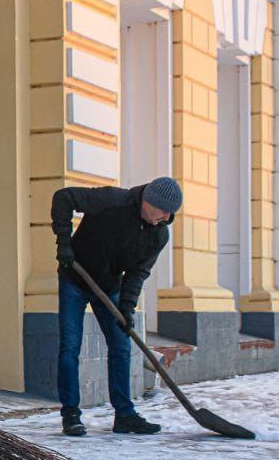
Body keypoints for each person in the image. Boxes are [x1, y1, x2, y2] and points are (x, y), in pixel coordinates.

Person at [50, 177, 182, 437]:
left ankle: (124, 415)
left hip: (109, 286)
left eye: (170, 213)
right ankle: (71, 415)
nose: (166, 217)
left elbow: (138, 273)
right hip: (75, 278)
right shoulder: (112, 200)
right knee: (70, 347)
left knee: (121, 346)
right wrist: (64, 243)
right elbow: (63, 197)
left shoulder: (159, 234)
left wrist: (127, 308)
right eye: (163, 211)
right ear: (148, 201)